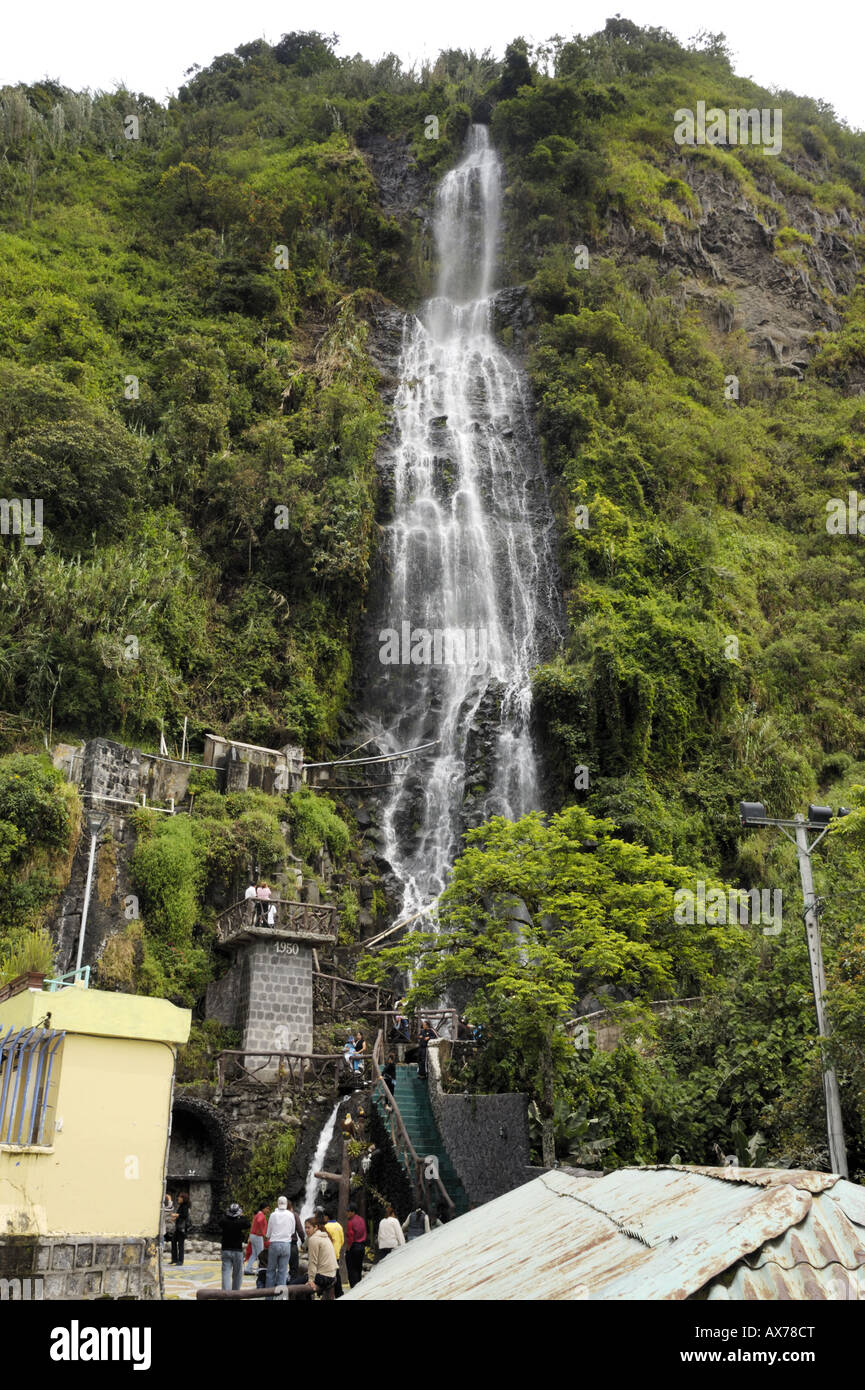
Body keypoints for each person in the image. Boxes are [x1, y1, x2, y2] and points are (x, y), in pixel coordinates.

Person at [265, 1195, 296, 1288]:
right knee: (283, 1272)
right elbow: (293, 1231)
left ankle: (269, 1297)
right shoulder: (291, 1215)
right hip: (286, 1244)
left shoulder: (273, 1215)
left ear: (277, 1204)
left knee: (271, 1271)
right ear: (286, 1204)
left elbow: (268, 1232)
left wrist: (268, 1236)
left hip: (274, 1244)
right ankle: (280, 1296)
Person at [305, 1212, 338, 1298]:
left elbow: (313, 1261)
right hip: (333, 1276)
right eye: (305, 1227)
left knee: (294, 1284)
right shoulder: (324, 1236)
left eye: (308, 1227)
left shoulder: (313, 1239)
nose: (306, 1230)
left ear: (316, 1227)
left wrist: (311, 1280)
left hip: (323, 1278)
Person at [220, 1202, 249, 1291]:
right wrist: (242, 1216)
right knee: (237, 1274)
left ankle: (226, 1294)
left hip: (225, 1249)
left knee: (226, 1272)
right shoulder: (240, 1222)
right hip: (237, 1250)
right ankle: (235, 1293)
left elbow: (220, 1221)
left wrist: (227, 1215)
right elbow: (248, 1224)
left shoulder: (224, 1221)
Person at [323, 1209, 345, 1298]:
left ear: (327, 1216)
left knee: (331, 1274)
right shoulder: (339, 1226)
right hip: (336, 1253)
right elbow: (342, 1240)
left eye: (324, 1216)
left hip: (329, 1254)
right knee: (336, 1273)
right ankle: (339, 1292)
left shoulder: (326, 1227)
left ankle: (335, 1293)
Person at [244, 1201, 269, 1275]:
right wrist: (263, 1233)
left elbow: (255, 1223)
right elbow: (259, 1221)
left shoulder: (257, 1214)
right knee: (260, 1254)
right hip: (258, 1236)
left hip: (253, 1235)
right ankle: (260, 1270)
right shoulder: (261, 1215)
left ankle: (248, 1269)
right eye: (267, 1208)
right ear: (263, 1208)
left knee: (254, 1254)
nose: (268, 1210)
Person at [345, 1204, 367, 1288]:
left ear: (353, 1212)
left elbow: (350, 1237)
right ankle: (359, 1287)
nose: (346, 1213)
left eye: (348, 1211)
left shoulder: (350, 1222)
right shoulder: (361, 1219)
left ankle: (354, 1288)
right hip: (362, 1247)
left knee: (351, 1270)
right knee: (358, 1269)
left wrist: (348, 1249)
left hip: (354, 1247)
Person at [170, 1193, 190, 1266]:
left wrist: (176, 1215)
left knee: (180, 1245)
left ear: (183, 1198)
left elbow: (184, 1215)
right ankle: (174, 1259)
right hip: (178, 1228)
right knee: (173, 1242)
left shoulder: (185, 1206)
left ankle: (180, 1261)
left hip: (182, 1229)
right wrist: (175, 1217)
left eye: (180, 1197)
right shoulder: (181, 1206)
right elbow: (180, 1215)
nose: (178, 1198)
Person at [286, 1198, 303, 1276]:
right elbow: (300, 1230)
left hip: (279, 1243)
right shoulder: (294, 1215)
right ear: (291, 1206)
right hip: (291, 1244)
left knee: (280, 1268)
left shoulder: (275, 1215)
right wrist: (303, 1241)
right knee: (294, 1268)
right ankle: (291, 1285)